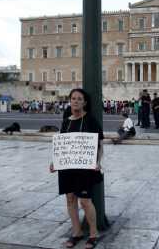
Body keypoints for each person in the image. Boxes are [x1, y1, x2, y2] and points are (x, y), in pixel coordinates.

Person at [49, 88, 104, 249]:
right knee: (70, 199)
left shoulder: (91, 120)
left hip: (85, 167)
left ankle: (93, 234)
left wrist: (98, 162)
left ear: (84, 102)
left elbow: (99, 145)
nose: (76, 101)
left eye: (79, 99)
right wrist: (55, 162)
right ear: (70, 100)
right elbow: (62, 145)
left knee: (86, 201)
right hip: (67, 167)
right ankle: (76, 232)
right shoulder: (66, 120)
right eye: (73, 98)